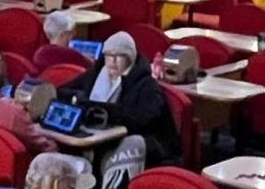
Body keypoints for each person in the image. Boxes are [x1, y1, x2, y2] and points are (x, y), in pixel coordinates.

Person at [58, 30, 182, 163]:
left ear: (129, 59)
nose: (113, 61)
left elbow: (140, 119)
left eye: (119, 56)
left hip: (144, 145)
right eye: (109, 55)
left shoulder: (147, 84)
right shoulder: (96, 73)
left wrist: (91, 106)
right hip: (101, 135)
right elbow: (61, 90)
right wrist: (78, 98)